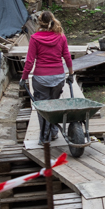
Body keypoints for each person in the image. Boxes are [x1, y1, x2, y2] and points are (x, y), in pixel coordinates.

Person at [21, 11, 75, 145]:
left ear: (39, 23)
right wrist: (71, 73)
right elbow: (67, 56)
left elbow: (29, 61)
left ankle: (44, 137)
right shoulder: (61, 37)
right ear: (53, 20)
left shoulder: (34, 38)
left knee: (43, 108)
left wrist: (24, 78)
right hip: (58, 77)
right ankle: (54, 131)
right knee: (54, 105)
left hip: (41, 79)